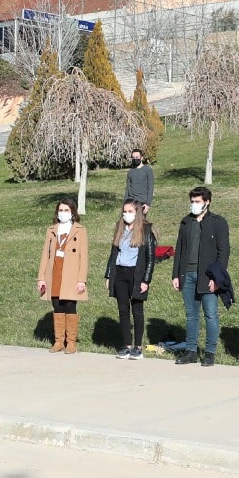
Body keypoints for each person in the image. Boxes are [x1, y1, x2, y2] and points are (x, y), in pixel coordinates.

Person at [171, 187, 228, 367]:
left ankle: (210, 352)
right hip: (187, 274)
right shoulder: (186, 222)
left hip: (207, 276)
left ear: (207, 202)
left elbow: (223, 252)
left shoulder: (218, 223)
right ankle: (191, 351)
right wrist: (176, 275)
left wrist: (216, 278)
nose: (194, 205)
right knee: (191, 315)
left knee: (210, 314)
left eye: (197, 202)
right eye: (192, 201)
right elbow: (179, 249)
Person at [103, 200, 154, 359]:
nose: (126, 214)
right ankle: (126, 345)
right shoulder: (120, 228)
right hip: (120, 273)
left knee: (137, 311)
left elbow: (150, 258)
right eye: (124, 211)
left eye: (130, 211)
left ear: (137, 212)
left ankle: (137, 347)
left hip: (136, 274)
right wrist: (109, 274)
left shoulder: (146, 230)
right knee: (123, 310)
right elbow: (113, 253)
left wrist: (146, 280)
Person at [37, 200, 89, 354]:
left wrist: (81, 280)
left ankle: (71, 342)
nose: (63, 213)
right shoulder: (51, 230)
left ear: (72, 212)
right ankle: (59, 341)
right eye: (60, 210)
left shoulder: (80, 230)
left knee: (70, 306)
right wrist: (41, 277)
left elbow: (84, 257)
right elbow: (44, 255)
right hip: (54, 272)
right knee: (57, 305)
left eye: (66, 210)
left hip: (71, 274)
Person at [123, 148, 154, 214]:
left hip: (142, 202)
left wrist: (148, 204)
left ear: (141, 158)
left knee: (141, 223)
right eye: (133, 158)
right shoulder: (130, 172)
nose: (135, 159)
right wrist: (125, 203)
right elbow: (127, 188)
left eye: (137, 157)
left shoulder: (148, 170)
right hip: (131, 201)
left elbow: (150, 188)